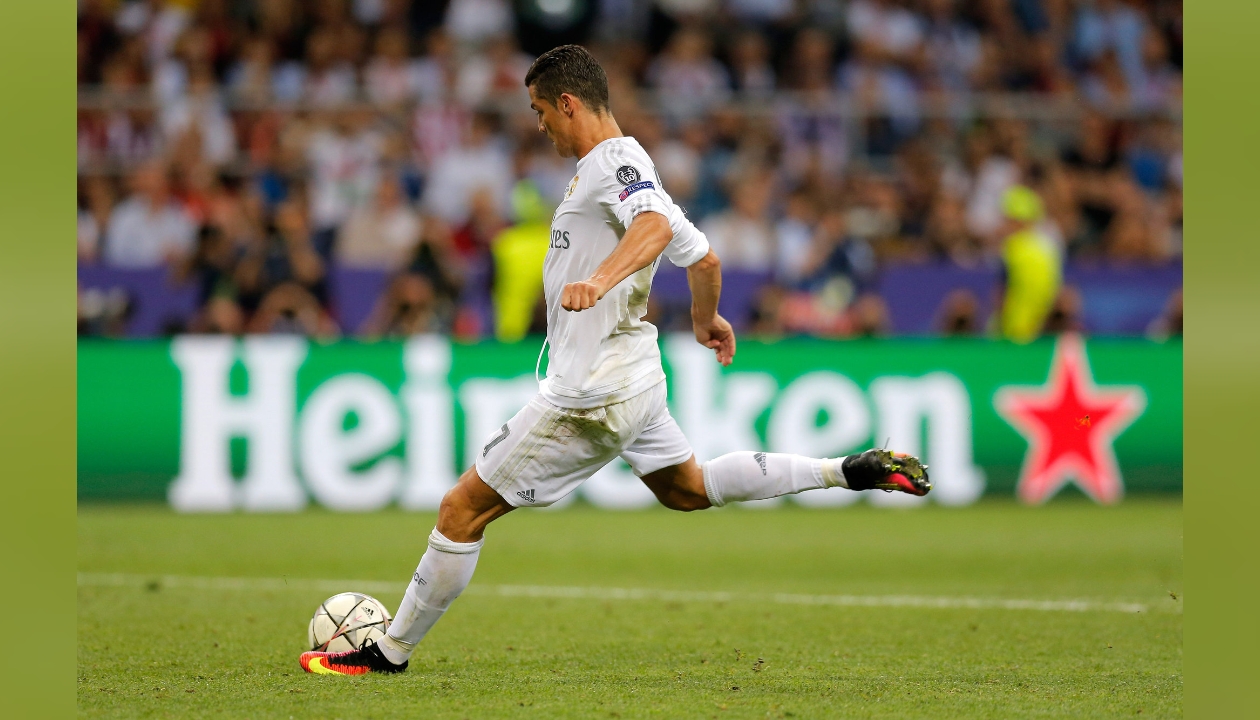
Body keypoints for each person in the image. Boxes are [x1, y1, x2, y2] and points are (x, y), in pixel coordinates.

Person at [299, 45, 931, 677]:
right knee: (688, 488)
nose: (539, 124)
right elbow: (704, 259)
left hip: (592, 389)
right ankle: (847, 471)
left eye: (540, 110)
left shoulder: (614, 163)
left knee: (460, 510)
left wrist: (598, 282)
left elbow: (654, 227)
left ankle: (387, 653)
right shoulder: (633, 168)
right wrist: (705, 317)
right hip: (637, 379)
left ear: (568, 103)